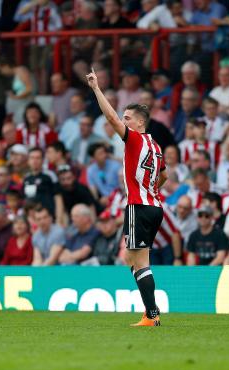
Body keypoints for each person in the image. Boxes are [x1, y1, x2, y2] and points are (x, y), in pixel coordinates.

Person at [87, 67, 167, 326]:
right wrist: (152, 189)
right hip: (154, 206)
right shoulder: (155, 147)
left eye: (128, 118)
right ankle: (150, 312)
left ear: (140, 122)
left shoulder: (134, 140)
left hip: (139, 206)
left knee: (140, 260)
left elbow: (110, 119)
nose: (124, 121)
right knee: (131, 258)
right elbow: (163, 176)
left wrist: (97, 89)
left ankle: (151, 315)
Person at [22, 148, 63, 220]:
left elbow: (58, 197)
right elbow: (26, 199)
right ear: (28, 160)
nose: (35, 161)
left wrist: (59, 218)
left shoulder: (50, 175)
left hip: (48, 217)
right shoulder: (26, 178)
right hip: (32, 219)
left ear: (43, 160)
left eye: (38, 158)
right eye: (32, 158)